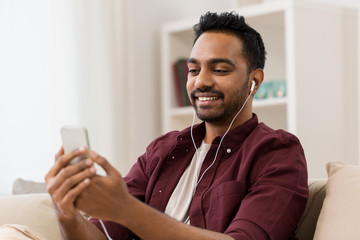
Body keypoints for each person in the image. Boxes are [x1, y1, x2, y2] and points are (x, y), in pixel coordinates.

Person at [45, 11, 308, 240]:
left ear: (255, 81)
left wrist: (127, 210)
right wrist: (65, 211)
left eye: (219, 70)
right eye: (194, 70)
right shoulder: (163, 150)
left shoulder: (277, 153)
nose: (201, 82)